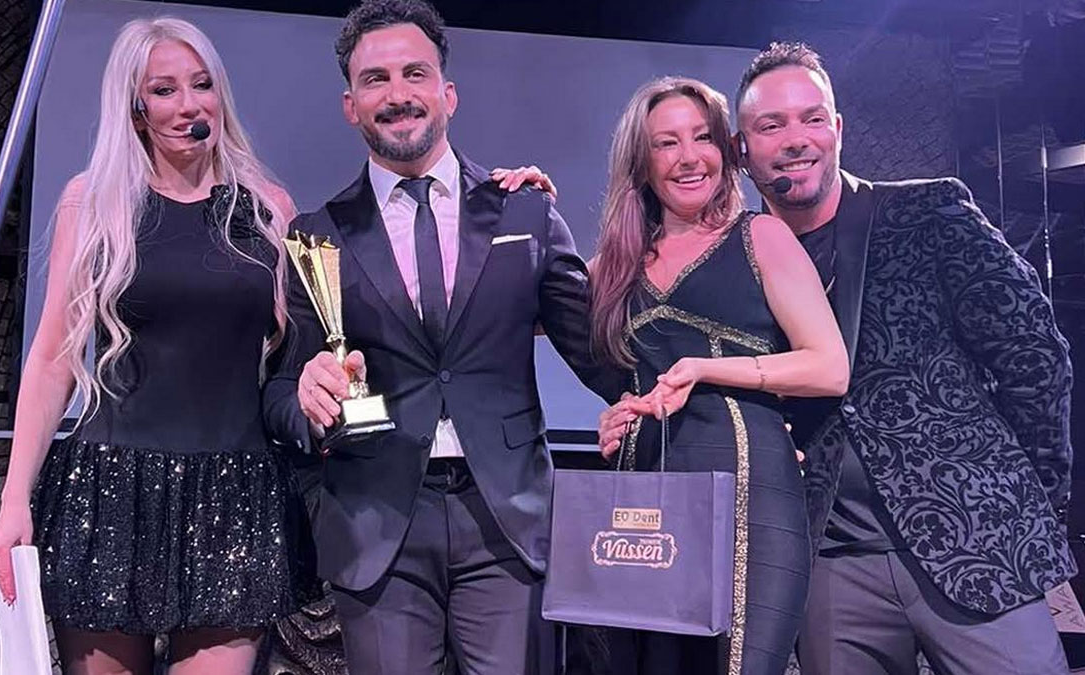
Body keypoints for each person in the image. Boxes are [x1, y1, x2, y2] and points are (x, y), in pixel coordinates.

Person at [261, 1, 624, 673]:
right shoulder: (317, 237)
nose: (397, 94)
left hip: (508, 520)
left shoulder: (524, 211)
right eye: (375, 79)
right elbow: (280, 393)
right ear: (350, 105)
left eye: (415, 73)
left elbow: (601, 355)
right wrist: (307, 403)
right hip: (377, 527)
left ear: (448, 93)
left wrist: (700, 402)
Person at [0, 17, 320, 675]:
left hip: (235, 495)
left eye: (202, 85)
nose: (189, 104)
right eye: (164, 90)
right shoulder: (96, 202)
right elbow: (53, 358)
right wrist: (14, 498)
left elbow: (300, 356)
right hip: (110, 489)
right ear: (136, 109)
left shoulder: (269, 209)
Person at [734, 42, 1075, 675]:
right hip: (831, 563)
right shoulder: (740, 263)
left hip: (977, 535)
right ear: (742, 149)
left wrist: (1022, 489)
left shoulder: (928, 212)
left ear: (838, 129)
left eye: (812, 118)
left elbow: (1034, 355)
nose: (796, 139)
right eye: (771, 125)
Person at [592, 76, 849, 675]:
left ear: (725, 149)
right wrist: (620, 413)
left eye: (703, 137)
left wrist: (706, 368)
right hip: (647, 497)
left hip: (754, 491)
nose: (689, 157)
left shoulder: (761, 236)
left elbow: (829, 366)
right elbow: (508, 307)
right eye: (666, 143)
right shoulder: (612, 267)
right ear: (641, 161)